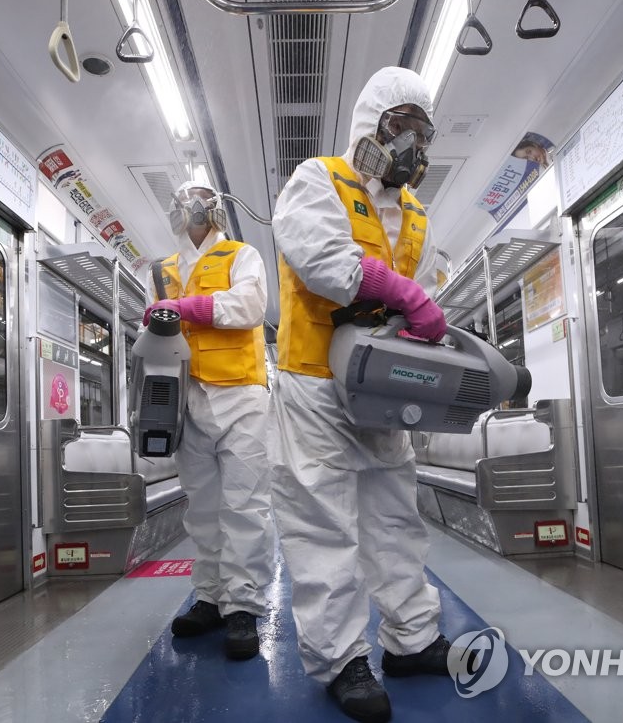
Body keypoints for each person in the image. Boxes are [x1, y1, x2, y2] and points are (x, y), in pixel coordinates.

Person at [268, 66, 452, 722]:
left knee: (395, 515)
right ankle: (341, 658)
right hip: (315, 380)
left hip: (381, 386)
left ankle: (412, 638)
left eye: (422, 133)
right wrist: (403, 294)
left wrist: (425, 322)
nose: (412, 144)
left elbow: (425, 289)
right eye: (402, 126)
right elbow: (322, 260)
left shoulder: (417, 214)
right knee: (323, 523)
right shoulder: (319, 179)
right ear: (370, 124)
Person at [143, 180, 274, 661]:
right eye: (188, 197)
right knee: (202, 507)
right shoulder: (160, 270)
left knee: (245, 504)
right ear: (175, 209)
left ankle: (242, 605)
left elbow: (250, 307)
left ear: (217, 207)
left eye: (205, 197)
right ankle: (210, 597)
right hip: (186, 396)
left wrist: (186, 308)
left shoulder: (242, 255)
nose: (197, 205)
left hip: (240, 393)